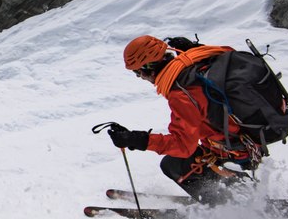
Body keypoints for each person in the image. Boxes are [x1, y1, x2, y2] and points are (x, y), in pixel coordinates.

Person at [107, 35, 258, 205]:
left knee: (173, 165)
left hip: (237, 150)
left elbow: (183, 146)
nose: (139, 77)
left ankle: (225, 206)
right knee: (189, 157)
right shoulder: (199, 60)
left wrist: (138, 140)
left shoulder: (182, 92)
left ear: (146, 68)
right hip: (252, 134)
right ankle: (238, 185)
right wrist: (196, 48)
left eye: (137, 72)